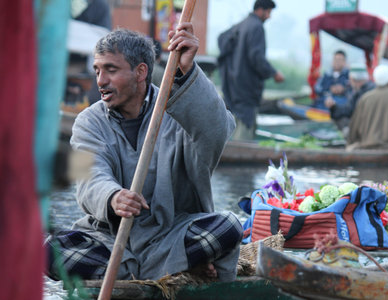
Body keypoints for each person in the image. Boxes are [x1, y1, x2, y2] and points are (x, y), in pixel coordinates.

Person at [45, 23, 243, 282]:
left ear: (140, 72)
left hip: (174, 234)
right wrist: (113, 197)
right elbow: (86, 179)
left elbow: (218, 130)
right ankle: (175, 268)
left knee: (229, 226)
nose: (100, 81)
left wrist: (188, 70)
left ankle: (133, 273)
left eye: (111, 70)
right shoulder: (86, 122)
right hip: (110, 240)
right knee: (47, 250)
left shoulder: (177, 109)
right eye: (97, 70)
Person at [217, 0, 284, 141]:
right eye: (268, 13)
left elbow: (221, 39)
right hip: (247, 88)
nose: (269, 17)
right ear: (260, 10)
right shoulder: (256, 27)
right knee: (245, 127)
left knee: (233, 123)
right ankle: (239, 159)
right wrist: (273, 73)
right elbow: (256, 57)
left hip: (233, 87)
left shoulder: (240, 26)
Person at [325, 64, 375, 136]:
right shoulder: (358, 91)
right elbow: (348, 109)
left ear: (353, 80)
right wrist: (333, 106)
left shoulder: (367, 93)